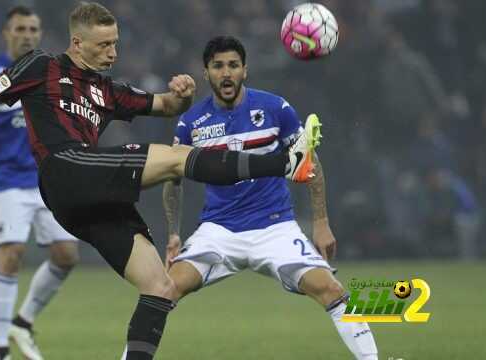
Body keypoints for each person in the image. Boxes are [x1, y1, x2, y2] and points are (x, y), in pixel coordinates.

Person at [0, 3, 318, 359]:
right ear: (77, 42)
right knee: (176, 159)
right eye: (103, 45)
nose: (112, 52)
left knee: (159, 286)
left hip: (86, 199)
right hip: (64, 168)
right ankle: (284, 163)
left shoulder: (108, 91)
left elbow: (165, 105)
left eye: (116, 43)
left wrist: (185, 93)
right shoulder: (42, 66)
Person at [162, 36, 379, 360]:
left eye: (233, 65)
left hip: (275, 228)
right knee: (161, 291)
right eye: (218, 66)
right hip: (218, 231)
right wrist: (173, 233)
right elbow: (172, 179)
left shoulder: (275, 108)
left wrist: (321, 222)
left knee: (333, 291)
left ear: (245, 70)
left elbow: (310, 163)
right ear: (206, 73)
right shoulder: (191, 122)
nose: (226, 73)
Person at [0, 7, 79, 360]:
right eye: (20, 28)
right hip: (9, 182)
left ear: (40, 34)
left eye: (33, 29)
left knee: (66, 255)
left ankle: (22, 323)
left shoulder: (52, 71)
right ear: (6, 33)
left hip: (50, 179)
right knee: (11, 255)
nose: (27, 34)